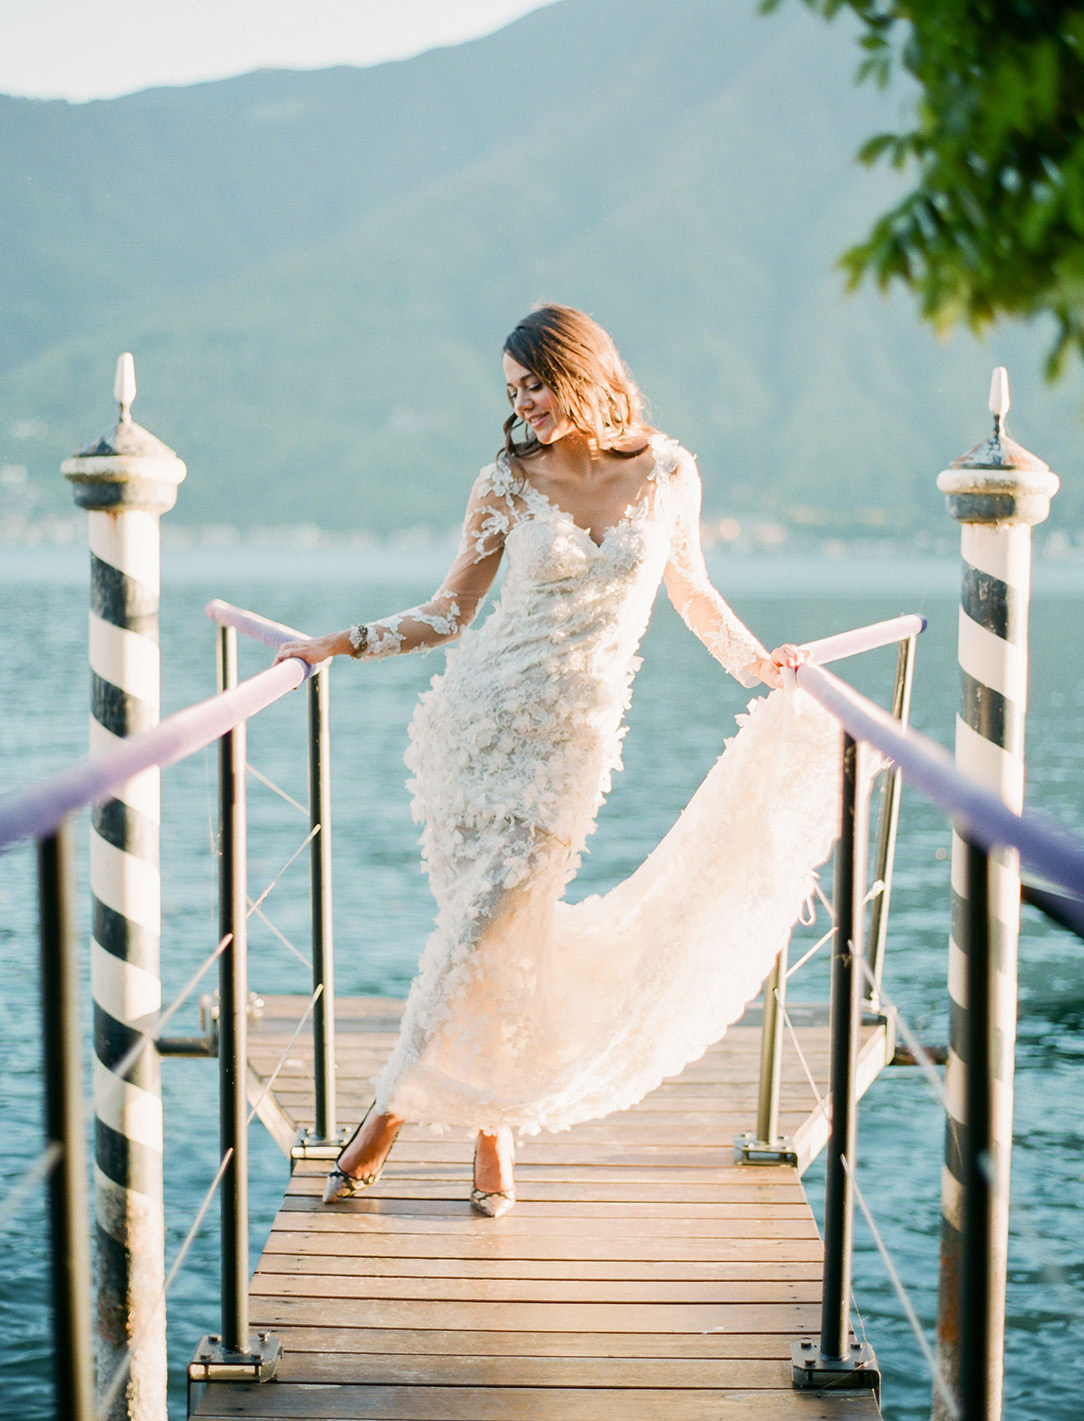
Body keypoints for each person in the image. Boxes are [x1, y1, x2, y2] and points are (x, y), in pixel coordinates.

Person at [275, 303, 840, 1218]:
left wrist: (760, 665)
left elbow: (691, 590)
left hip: (571, 747)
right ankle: (476, 1134)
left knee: (493, 929)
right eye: (513, 391)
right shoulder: (505, 479)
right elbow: (451, 613)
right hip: (477, 729)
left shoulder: (667, 470)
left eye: (535, 384)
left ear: (582, 370)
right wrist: (336, 643)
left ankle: (389, 1116)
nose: (524, 404)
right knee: (490, 934)